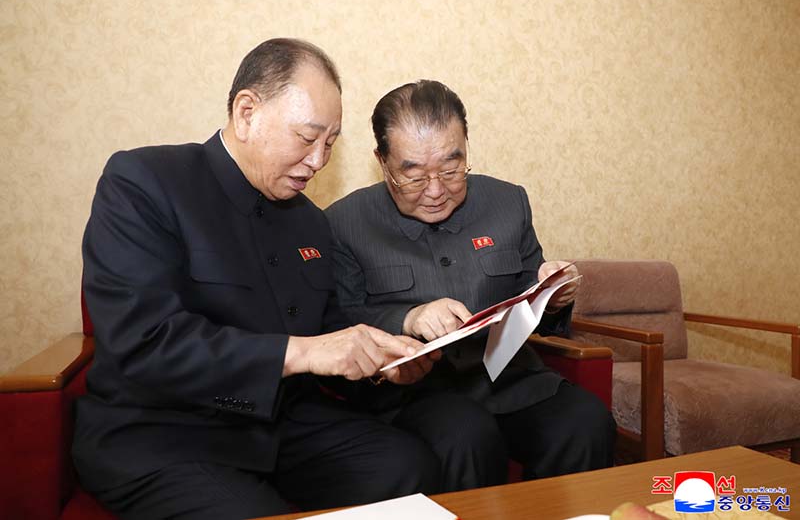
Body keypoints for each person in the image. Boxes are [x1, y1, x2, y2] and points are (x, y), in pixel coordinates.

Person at [74, 39, 444, 520]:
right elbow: (144, 341)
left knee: (407, 467)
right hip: (162, 430)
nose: (319, 161)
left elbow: (329, 336)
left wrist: (385, 364)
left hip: (279, 422)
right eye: (307, 138)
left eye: (330, 144)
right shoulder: (143, 182)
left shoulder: (310, 222)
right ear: (247, 112)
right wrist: (302, 352)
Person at [325, 80, 616, 491]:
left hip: (510, 381)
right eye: (413, 175)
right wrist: (408, 318)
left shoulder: (508, 202)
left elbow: (530, 295)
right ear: (382, 161)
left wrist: (552, 296)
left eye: (450, 169)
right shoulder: (345, 222)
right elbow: (340, 320)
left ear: (465, 148)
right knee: (467, 435)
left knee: (585, 421)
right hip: (416, 393)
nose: (435, 190)